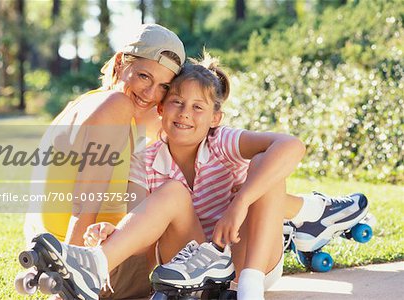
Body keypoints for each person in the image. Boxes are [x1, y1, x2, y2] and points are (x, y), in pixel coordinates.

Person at [22, 53, 369, 300]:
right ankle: (93, 265)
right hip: (188, 266)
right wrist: (117, 232)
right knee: (172, 192)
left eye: (198, 107)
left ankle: (248, 290)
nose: (185, 114)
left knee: (266, 167)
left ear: (215, 117)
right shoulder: (145, 159)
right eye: (176, 103)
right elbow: (144, 226)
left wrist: (240, 204)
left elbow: (291, 145)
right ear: (160, 109)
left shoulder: (224, 142)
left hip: (247, 261)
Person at [24, 23, 186, 247]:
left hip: (78, 246)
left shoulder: (94, 105)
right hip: (87, 252)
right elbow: (85, 203)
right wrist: (72, 270)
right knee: (176, 196)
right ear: (120, 63)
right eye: (144, 76)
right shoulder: (115, 106)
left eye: (163, 87)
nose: (150, 94)